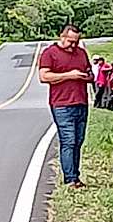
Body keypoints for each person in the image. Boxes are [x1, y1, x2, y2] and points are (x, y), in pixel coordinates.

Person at [39, 24, 93, 189]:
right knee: (68, 140)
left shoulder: (81, 53)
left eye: (76, 42)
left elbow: (90, 72)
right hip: (62, 104)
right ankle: (70, 179)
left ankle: (76, 176)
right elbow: (44, 76)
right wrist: (69, 75)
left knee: (78, 141)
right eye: (70, 41)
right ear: (62, 37)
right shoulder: (50, 53)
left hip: (81, 102)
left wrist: (86, 76)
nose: (73, 45)